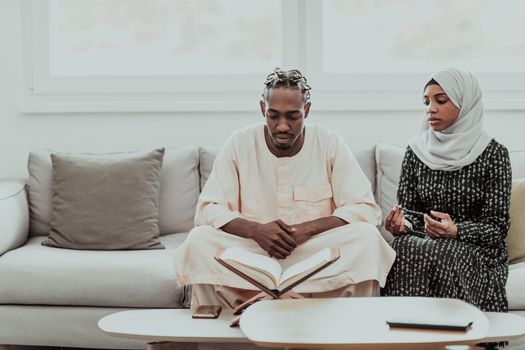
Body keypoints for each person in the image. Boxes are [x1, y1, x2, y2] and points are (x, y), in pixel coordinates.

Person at [173, 68, 396, 310]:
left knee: (367, 237)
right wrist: (255, 231)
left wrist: (307, 230)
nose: (282, 126)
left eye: (292, 116)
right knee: (200, 239)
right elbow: (208, 210)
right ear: (262, 109)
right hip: (252, 256)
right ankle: (289, 307)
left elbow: (365, 208)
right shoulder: (240, 143)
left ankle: (266, 305)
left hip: (313, 256)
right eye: (273, 116)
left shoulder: (329, 142)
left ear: (306, 110)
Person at [382, 68, 511, 312]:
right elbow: (410, 212)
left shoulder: (494, 154)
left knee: (444, 252)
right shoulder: (416, 151)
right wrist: (403, 225)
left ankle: (454, 337)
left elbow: (497, 228)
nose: (431, 108)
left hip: (475, 248)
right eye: (426, 101)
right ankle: (405, 334)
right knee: (400, 247)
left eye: (441, 100)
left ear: (466, 104)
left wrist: (456, 230)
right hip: (424, 241)